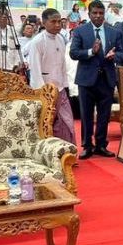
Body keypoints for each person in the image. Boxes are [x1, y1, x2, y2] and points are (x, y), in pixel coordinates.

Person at [69, 0, 123, 160]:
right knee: (86, 115)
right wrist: (91, 52)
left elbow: (122, 53)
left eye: (101, 13)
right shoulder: (80, 31)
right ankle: (87, 146)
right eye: (95, 13)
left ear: (104, 13)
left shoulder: (113, 32)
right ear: (89, 13)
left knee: (104, 115)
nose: (98, 16)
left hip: (106, 79)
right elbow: (73, 53)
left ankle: (101, 145)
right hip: (86, 80)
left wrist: (115, 56)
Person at [27, 8, 75, 144]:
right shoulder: (37, 42)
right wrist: (43, 93)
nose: (58, 25)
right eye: (53, 21)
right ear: (44, 22)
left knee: (67, 121)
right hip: (45, 91)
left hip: (60, 89)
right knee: (47, 123)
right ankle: (48, 152)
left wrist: (66, 85)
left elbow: (62, 65)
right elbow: (35, 70)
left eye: (59, 21)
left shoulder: (61, 39)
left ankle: (67, 152)